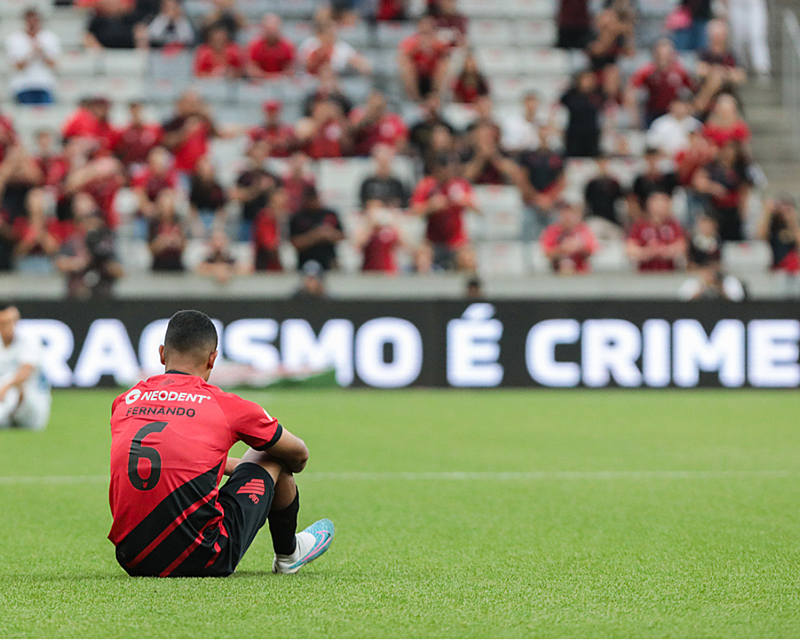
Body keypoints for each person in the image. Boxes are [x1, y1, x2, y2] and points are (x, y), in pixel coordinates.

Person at [109, 309, 334, 577]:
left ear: (161, 354)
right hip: (203, 557)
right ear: (213, 359)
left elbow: (161, 452)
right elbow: (299, 454)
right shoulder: (225, 405)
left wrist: (220, 464)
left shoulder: (126, 401)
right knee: (274, 453)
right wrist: (246, 467)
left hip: (132, 558)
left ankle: (288, 553)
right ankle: (289, 554)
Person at [410, 154, 477, 272]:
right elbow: (414, 211)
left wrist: (463, 201)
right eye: (445, 168)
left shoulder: (460, 184)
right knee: (422, 259)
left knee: (469, 259)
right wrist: (430, 206)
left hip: (457, 241)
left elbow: (477, 208)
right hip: (433, 241)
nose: (449, 171)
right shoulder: (427, 185)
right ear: (438, 169)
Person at [55, 193, 124, 299]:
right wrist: (81, 262)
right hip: (76, 295)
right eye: (88, 219)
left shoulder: (106, 240)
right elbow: (59, 264)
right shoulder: (73, 240)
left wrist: (103, 261)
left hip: (103, 295)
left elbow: (120, 271)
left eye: (95, 218)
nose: (92, 223)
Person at [0, 303, 50, 431]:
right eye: (3, 323)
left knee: (11, 385)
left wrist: (5, 387)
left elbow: (25, 372)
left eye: (11, 322)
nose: (8, 327)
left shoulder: (29, 342)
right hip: (6, 406)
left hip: (32, 405)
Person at [628, 39, 695, 128]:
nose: (663, 59)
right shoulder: (647, 71)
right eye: (660, 55)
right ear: (655, 55)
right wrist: (634, 115)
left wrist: (690, 108)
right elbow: (631, 89)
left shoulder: (679, 71)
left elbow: (692, 88)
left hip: (673, 113)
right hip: (652, 112)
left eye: (666, 55)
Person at [6, 8, 60, 105]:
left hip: (44, 84)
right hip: (22, 85)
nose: (32, 23)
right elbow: (17, 66)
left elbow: (53, 64)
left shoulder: (49, 37)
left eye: (35, 20)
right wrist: (31, 53)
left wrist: (41, 53)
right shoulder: (14, 39)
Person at [626, 191, 687, 272]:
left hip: (668, 273)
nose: (661, 207)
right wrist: (647, 252)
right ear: (650, 205)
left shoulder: (673, 224)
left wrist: (664, 251)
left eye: (664, 203)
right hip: (645, 273)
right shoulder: (640, 224)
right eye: (658, 203)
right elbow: (630, 248)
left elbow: (682, 246)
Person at [290, 185, 344, 271]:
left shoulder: (330, 214)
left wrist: (329, 234)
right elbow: (295, 243)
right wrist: (315, 235)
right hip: (305, 261)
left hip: (328, 261)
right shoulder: (298, 217)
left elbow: (342, 236)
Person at [398, 15, 450, 101]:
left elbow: (446, 56)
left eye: (428, 32)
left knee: (444, 65)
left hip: (431, 77)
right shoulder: (411, 42)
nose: (425, 36)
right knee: (406, 66)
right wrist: (418, 48)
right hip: (417, 77)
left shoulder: (438, 43)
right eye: (423, 32)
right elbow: (403, 57)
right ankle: (415, 97)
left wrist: (431, 49)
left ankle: (435, 96)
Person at [540, 200, 598, 275]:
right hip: (557, 274)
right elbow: (546, 253)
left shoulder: (583, 230)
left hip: (581, 273)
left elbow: (592, 250)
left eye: (571, 215)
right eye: (565, 215)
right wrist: (562, 249)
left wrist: (579, 247)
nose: (568, 218)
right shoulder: (552, 231)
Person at [298, 22, 371, 76]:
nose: (331, 37)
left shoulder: (342, 47)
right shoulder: (309, 44)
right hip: (310, 78)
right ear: (320, 34)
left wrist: (358, 64)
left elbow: (364, 65)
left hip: (335, 79)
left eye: (333, 34)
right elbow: (300, 64)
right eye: (328, 33)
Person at [559, 70, 605, 158]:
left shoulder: (598, 95)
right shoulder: (570, 95)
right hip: (574, 134)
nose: (587, 82)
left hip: (592, 135)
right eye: (585, 79)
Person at [349, 92, 408, 157]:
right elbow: (349, 134)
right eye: (373, 106)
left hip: (388, 157)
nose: (376, 110)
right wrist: (366, 121)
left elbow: (401, 144)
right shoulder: (358, 116)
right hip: (360, 158)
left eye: (379, 107)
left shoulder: (394, 121)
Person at [628, 147, 679, 219]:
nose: (652, 161)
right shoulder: (639, 181)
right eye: (649, 158)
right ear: (645, 159)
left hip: (666, 214)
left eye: (654, 158)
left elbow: (672, 198)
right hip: (646, 217)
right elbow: (634, 200)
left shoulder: (669, 179)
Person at [726, 0, 771, 79]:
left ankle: (761, 67)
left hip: (755, 3)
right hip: (736, 4)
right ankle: (740, 64)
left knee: (756, 36)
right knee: (737, 38)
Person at [756, 196, 800, 275]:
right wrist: (767, 212)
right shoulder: (773, 225)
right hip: (776, 266)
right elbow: (761, 236)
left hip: (791, 267)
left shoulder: (793, 225)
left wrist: (792, 220)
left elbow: (798, 242)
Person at [114, 101, 164, 169]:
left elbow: (160, 146)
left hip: (149, 165)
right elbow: (118, 150)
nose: (136, 114)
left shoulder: (153, 129)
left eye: (138, 111)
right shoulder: (124, 131)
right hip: (129, 165)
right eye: (133, 111)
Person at [359, 144, 409, 210]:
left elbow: (404, 202)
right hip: (373, 213)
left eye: (386, 161)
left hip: (393, 214)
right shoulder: (368, 182)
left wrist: (393, 204)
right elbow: (363, 202)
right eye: (381, 161)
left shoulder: (397, 183)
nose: (383, 164)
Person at [85, 0, 149, 50]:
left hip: (129, 55)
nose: (111, 4)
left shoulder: (132, 19)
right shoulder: (97, 21)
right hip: (105, 56)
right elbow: (87, 36)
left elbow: (141, 37)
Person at [584, 155, 626, 231]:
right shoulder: (592, 184)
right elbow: (587, 203)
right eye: (600, 163)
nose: (603, 165)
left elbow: (621, 201)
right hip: (596, 219)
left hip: (612, 220)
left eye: (604, 162)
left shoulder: (614, 183)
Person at [246, 14, 296, 78]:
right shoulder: (254, 46)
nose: (271, 32)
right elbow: (251, 69)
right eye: (269, 29)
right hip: (260, 82)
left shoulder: (288, 46)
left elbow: (291, 69)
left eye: (274, 29)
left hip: (282, 83)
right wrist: (268, 77)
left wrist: (276, 77)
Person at [148, 189, 186, 271]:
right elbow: (150, 249)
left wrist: (176, 241)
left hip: (176, 264)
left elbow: (184, 245)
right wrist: (162, 242)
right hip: (159, 265)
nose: (167, 210)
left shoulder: (179, 222)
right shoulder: (154, 223)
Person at [253, 187, 290, 272]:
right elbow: (269, 245)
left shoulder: (285, 218)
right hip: (267, 266)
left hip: (279, 265)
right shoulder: (265, 218)